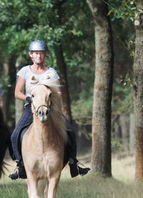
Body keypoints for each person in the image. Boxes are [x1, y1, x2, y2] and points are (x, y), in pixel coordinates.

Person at [9, 40, 90, 180]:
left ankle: (73, 163)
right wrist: (29, 99)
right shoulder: (24, 71)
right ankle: (20, 165)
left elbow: (58, 92)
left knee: (70, 131)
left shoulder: (51, 72)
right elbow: (17, 92)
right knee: (15, 135)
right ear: (31, 55)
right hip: (32, 108)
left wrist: (54, 99)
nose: (39, 56)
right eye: (36, 53)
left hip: (50, 108)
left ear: (45, 55)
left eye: (41, 53)